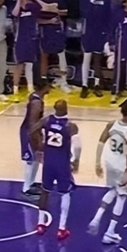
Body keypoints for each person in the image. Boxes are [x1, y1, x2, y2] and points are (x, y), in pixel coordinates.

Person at [89, 102, 127, 244]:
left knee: (113, 190)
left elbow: (100, 142)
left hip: (109, 163)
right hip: (121, 165)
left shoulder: (111, 124)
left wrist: (97, 163)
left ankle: (96, 218)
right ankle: (110, 233)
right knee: (121, 197)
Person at [32, 99, 81, 240]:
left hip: (48, 162)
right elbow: (78, 146)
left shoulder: (47, 120)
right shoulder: (70, 125)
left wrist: (38, 146)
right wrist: (76, 161)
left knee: (45, 191)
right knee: (65, 193)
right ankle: (61, 228)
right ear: (66, 109)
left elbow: (32, 130)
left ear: (54, 108)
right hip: (62, 164)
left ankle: (40, 224)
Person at [36, 0, 71, 93]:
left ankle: (64, 81)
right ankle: (43, 81)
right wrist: (49, 20)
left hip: (57, 29)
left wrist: (56, 12)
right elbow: (36, 18)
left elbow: (65, 11)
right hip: (44, 29)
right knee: (44, 54)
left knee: (61, 53)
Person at [79, 0, 112, 98]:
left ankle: (97, 85)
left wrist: (107, 33)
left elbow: (108, 16)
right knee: (86, 58)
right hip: (88, 32)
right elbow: (84, 13)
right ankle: (84, 85)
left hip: (100, 33)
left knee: (97, 59)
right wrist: (93, 0)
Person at [19, 79, 50, 198]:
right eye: (48, 86)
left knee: (36, 158)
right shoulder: (36, 103)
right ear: (44, 87)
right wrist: (37, 138)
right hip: (29, 132)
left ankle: (31, 183)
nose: (50, 89)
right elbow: (32, 123)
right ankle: (26, 188)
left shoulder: (36, 96)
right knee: (31, 160)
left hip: (32, 130)